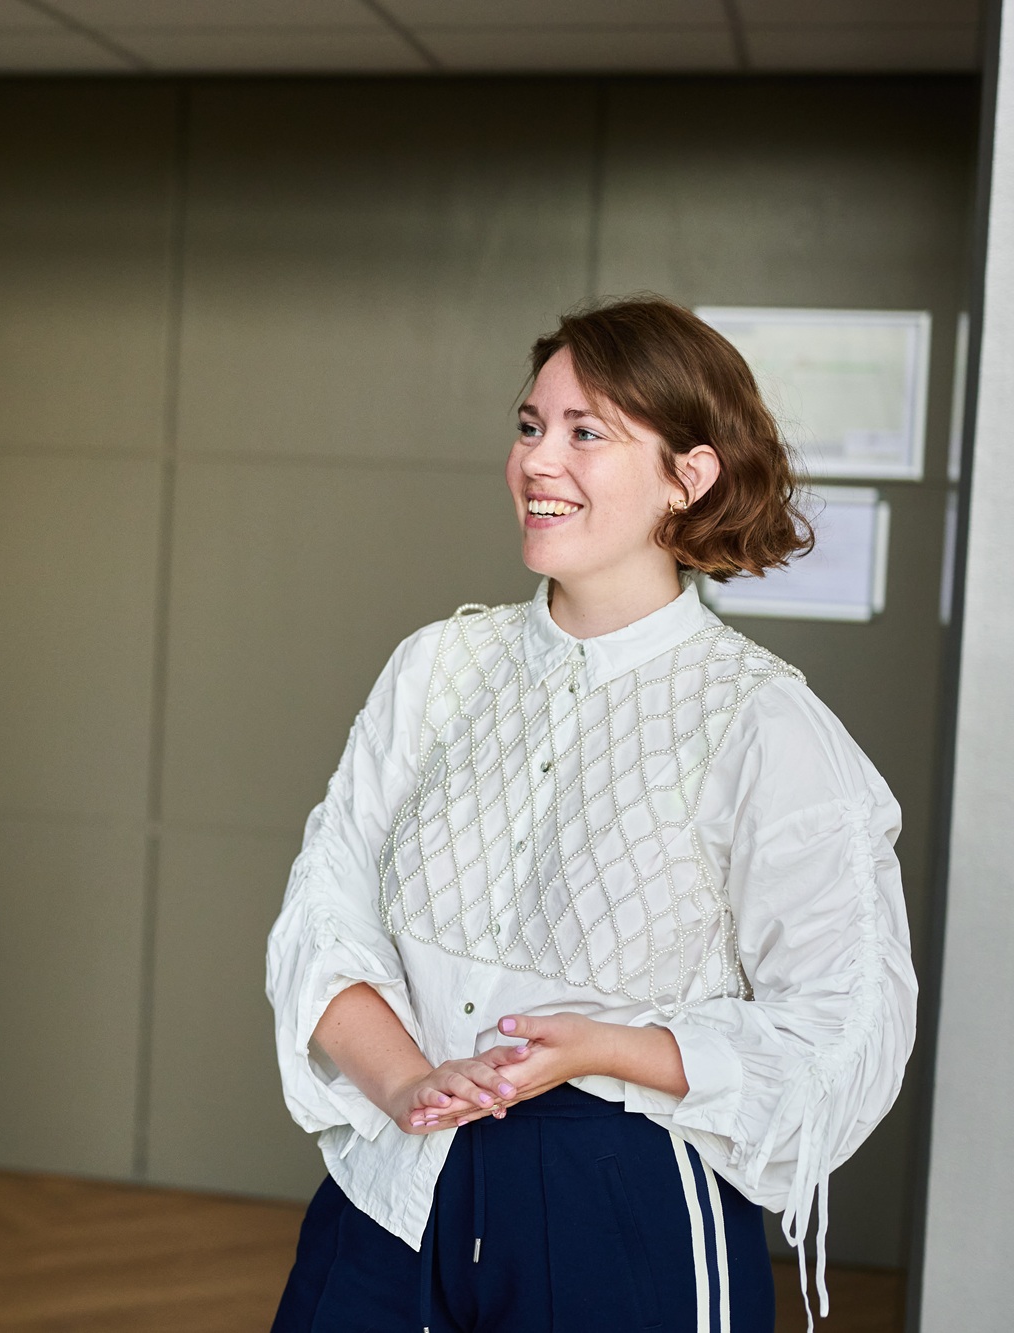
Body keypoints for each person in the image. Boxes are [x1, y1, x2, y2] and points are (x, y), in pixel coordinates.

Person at [265, 297, 916, 1333]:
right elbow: (323, 907)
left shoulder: (765, 724)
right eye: (528, 426)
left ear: (686, 476)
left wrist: (604, 1047)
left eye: (585, 432)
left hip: (622, 1203)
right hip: (391, 1185)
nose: (537, 461)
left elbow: (845, 1027)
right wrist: (406, 1086)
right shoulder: (435, 667)